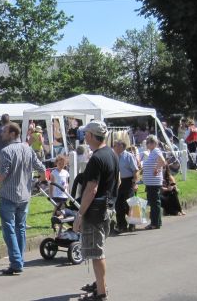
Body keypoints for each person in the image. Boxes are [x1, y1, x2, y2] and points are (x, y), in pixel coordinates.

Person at [0, 122, 46, 275]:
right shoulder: (28, 149)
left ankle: (16, 262)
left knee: (9, 229)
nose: (2, 133)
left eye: (4, 131)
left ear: (12, 134)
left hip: (9, 196)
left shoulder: (6, 151)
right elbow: (42, 169)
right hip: (24, 196)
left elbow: (2, 174)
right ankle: (19, 260)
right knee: (20, 228)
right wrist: (39, 182)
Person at [72, 121, 118, 301]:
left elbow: (91, 188)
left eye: (86, 133)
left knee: (97, 253)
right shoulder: (111, 154)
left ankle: (101, 293)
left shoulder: (97, 158)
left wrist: (80, 214)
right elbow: (118, 182)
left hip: (95, 211)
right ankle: (100, 284)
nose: (84, 136)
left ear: (91, 135)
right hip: (107, 208)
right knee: (96, 250)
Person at [113, 140, 139, 233]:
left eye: (115, 145)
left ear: (121, 146)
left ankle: (132, 224)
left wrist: (135, 183)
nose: (114, 147)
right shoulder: (114, 156)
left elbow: (135, 170)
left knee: (130, 203)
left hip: (128, 181)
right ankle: (121, 225)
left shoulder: (128, 156)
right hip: (118, 182)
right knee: (118, 204)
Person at [142, 135, 166, 230]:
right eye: (147, 142)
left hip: (154, 182)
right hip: (150, 182)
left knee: (154, 202)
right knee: (153, 202)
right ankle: (155, 222)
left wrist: (156, 168)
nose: (147, 144)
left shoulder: (156, 151)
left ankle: (155, 223)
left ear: (154, 143)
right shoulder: (152, 152)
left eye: (149, 142)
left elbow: (163, 162)